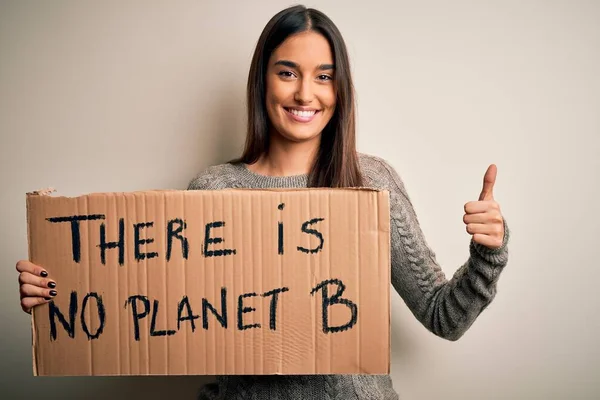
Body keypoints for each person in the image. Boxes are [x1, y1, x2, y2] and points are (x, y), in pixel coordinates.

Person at [16, 5, 510, 399]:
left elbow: (444, 317)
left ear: (340, 89)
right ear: (263, 81)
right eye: (288, 72)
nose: (305, 92)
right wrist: (58, 291)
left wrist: (488, 251)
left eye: (323, 75)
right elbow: (155, 314)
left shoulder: (371, 182)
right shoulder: (212, 191)